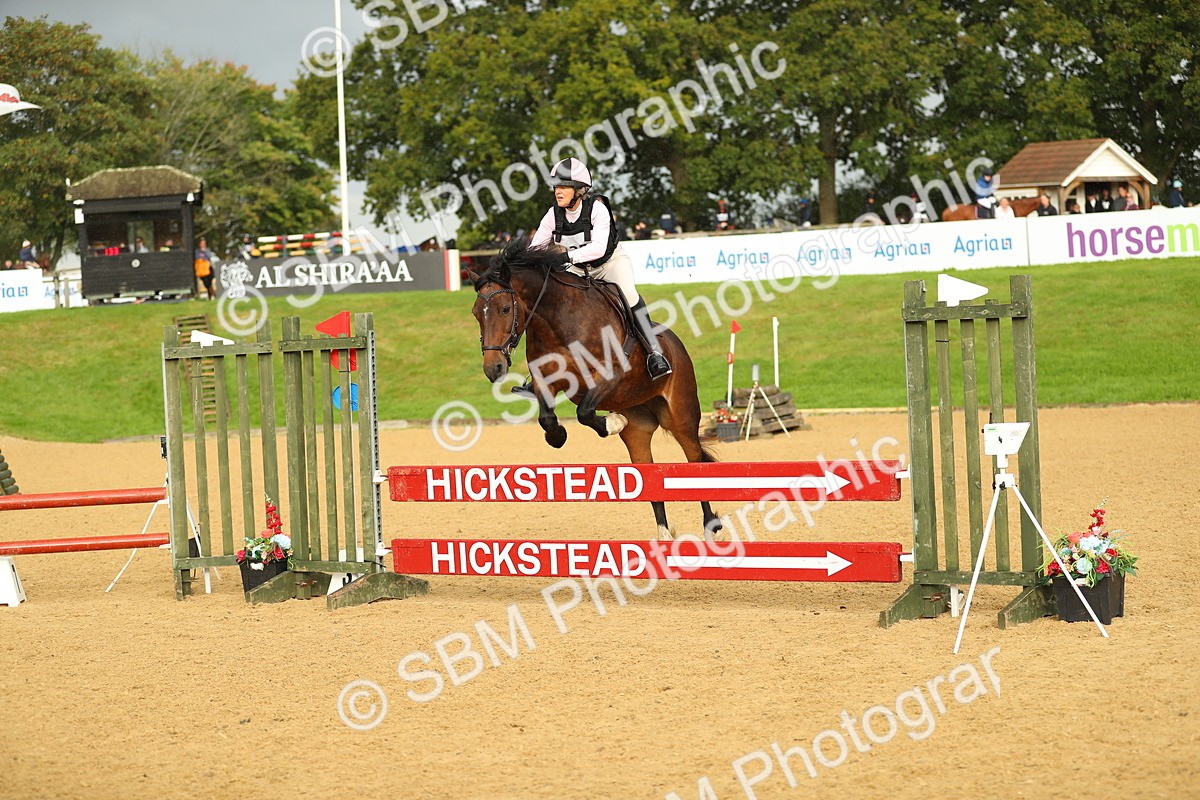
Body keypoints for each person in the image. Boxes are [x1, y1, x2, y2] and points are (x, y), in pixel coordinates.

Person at [527, 157, 671, 381]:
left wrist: (565, 257)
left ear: (580, 190)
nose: (558, 191)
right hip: (577, 268)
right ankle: (541, 372)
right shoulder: (552, 215)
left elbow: (598, 249)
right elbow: (535, 247)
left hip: (609, 264)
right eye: (556, 186)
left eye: (564, 186)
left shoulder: (598, 209)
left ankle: (654, 353)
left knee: (629, 295)